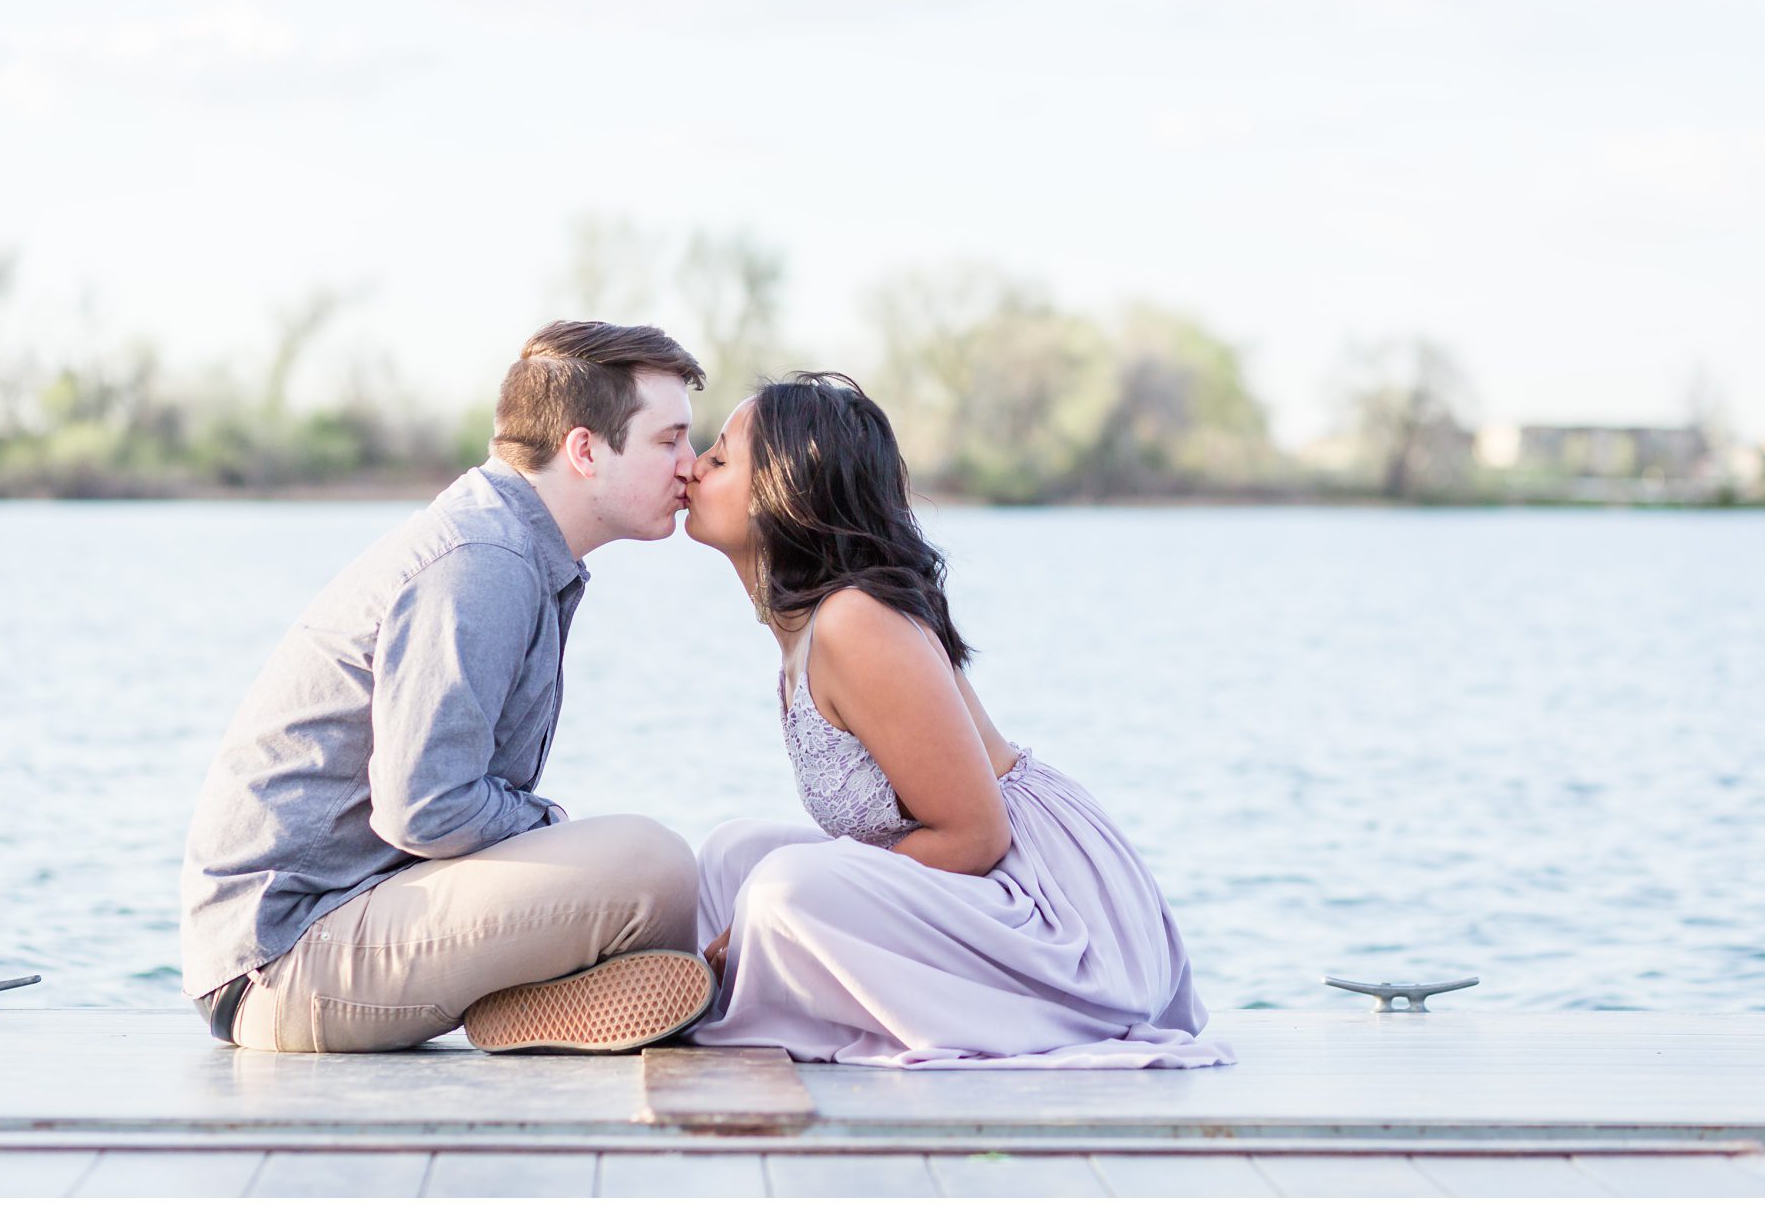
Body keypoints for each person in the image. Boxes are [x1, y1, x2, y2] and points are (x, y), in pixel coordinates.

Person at [179, 321, 717, 1055]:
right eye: (669, 440)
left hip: (345, 925)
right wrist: (555, 826)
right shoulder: (481, 560)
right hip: (281, 962)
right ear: (585, 450)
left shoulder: (507, 542)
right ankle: (538, 1002)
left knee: (694, 880)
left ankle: (539, 1008)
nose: (691, 465)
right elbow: (424, 808)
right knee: (653, 866)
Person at [681, 372, 1235, 1068]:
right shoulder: (801, 629)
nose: (694, 463)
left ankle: (730, 994)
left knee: (782, 886)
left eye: (721, 457)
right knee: (735, 857)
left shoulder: (856, 621)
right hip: (981, 875)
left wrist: (778, 905)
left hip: (1052, 910)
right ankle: (689, 989)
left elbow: (976, 835)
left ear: (784, 493)